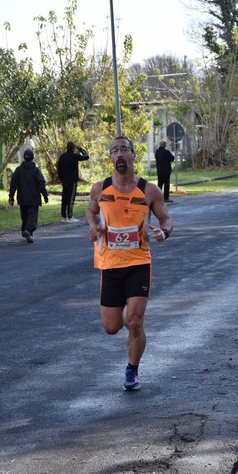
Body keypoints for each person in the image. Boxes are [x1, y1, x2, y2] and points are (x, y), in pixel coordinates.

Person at [86, 136, 173, 392]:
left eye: (125, 149)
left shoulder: (149, 190)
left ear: (133, 155)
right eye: (115, 151)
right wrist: (92, 226)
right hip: (110, 264)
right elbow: (90, 212)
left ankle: (132, 370)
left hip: (138, 262)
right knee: (111, 327)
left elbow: (167, 219)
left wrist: (163, 233)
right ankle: (129, 314)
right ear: (111, 158)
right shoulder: (100, 189)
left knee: (135, 323)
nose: (120, 154)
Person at [8, 148, 48, 243]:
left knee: (25, 216)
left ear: (24, 158)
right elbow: (41, 183)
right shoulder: (36, 171)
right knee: (32, 216)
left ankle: (25, 232)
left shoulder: (18, 170)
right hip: (34, 199)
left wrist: (11, 197)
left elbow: (13, 184)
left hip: (22, 198)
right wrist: (45, 195)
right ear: (32, 158)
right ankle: (28, 230)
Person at [57, 141, 89, 222]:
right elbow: (86, 156)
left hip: (64, 180)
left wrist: (61, 179)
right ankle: (70, 216)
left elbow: (59, 169)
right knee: (71, 198)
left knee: (64, 198)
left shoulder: (62, 157)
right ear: (73, 148)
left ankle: (64, 216)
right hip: (72, 180)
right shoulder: (74, 156)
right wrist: (80, 148)